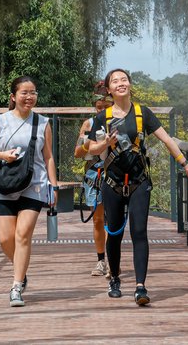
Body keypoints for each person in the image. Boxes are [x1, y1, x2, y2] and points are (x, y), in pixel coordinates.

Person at [84, 68, 188, 306]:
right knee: (115, 233)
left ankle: (140, 287)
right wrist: (104, 143)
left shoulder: (142, 113)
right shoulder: (101, 117)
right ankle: (115, 278)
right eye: (115, 81)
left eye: (124, 80)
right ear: (108, 89)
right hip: (112, 183)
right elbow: (89, 148)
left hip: (139, 182)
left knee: (139, 232)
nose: (121, 83)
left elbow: (167, 139)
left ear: (130, 85)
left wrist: (185, 164)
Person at [0, 76, 58, 307]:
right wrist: (3, 156)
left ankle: (16, 286)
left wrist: (53, 185)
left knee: (22, 235)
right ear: (13, 96)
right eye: (24, 92)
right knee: (5, 238)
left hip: (35, 184)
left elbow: (48, 156)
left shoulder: (43, 123)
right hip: (8, 183)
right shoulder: (0, 121)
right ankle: (21, 271)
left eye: (33, 92)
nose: (29, 97)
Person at [74, 80, 111, 277]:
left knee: (113, 219)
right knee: (97, 219)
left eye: (106, 107)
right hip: (93, 173)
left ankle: (114, 260)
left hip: (115, 171)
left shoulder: (120, 121)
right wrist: (90, 143)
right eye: (99, 107)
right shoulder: (88, 123)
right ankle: (101, 261)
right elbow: (78, 152)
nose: (102, 110)